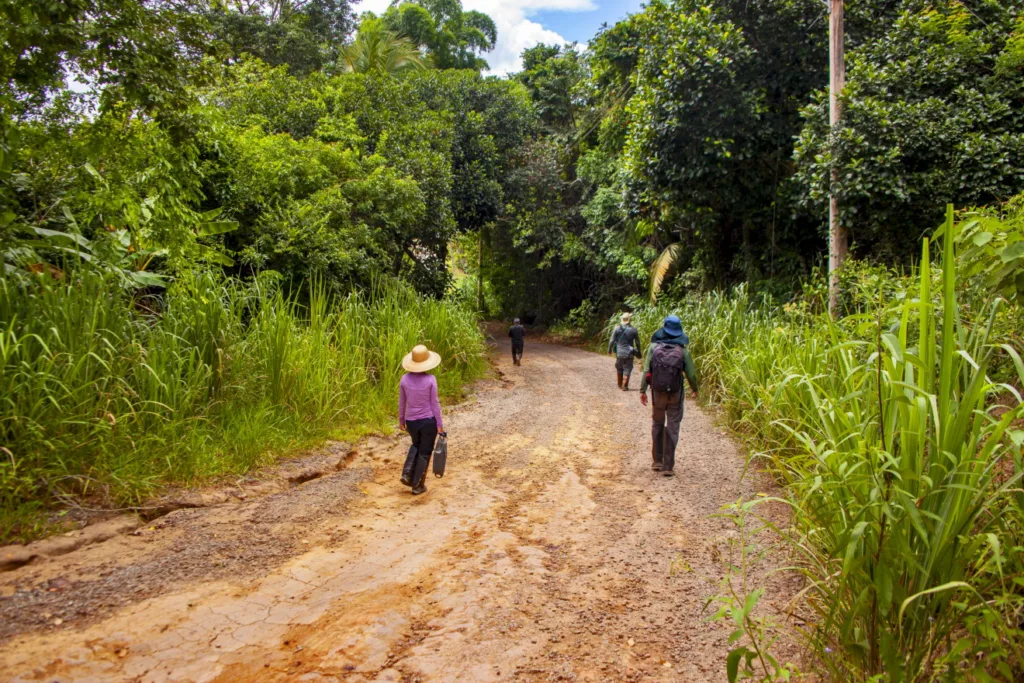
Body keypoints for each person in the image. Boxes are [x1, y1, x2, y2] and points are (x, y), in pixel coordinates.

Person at [639, 315, 699, 477]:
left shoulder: (653, 347)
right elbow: (691, 374)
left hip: (658, 393)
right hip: (675, 394)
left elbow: (646, 370)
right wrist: (695, 389)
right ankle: (667, 466)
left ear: (664, 328)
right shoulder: (683, 350)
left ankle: (657, 461)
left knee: (657, 423)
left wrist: (642, 390)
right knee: (673, 426)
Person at [399, 344, 446, 495]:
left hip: (411, 421)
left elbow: (402, 401)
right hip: (428, 421)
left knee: (415, 445)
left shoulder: (404, 379)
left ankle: (407, 474)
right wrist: (439, 424)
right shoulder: (431, 379)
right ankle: (417, 485)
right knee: (425, 451)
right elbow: (435, 403)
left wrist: (401, 420)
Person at [608, 312, 642, 391]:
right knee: (628, 368)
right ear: (629, 320)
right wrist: (639, 351)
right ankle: (625, 386)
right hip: (629, 353)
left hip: (619, 353)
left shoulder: (617, 328)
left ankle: (620, 384)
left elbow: (612, 340)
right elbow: (637, 342)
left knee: (619, 367)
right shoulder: (633, 330)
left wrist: (609, 349)